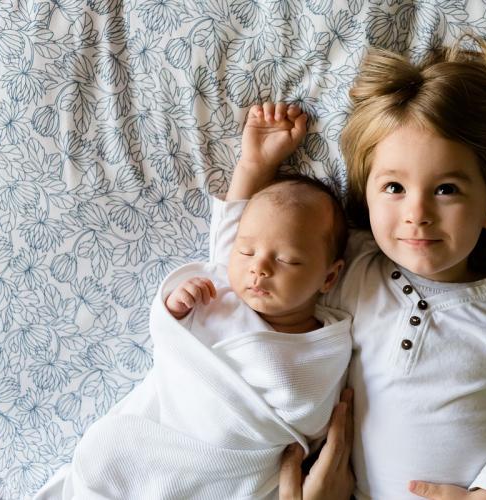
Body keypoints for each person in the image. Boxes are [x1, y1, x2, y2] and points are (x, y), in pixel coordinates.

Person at [264, 35, 486, 500]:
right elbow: (256, 259)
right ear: (364, 197)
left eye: (447, 189)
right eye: (393, 188)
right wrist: (257, 167)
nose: (418, 213)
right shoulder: (349, 270)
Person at [33, 104, 353, 500]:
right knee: (107, 456)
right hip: (159, 441)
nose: (259, 269)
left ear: (329, 277)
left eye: (287, 260)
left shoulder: (328, 344)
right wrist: (255, 162)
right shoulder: (221, 288)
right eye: (247, 252)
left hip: (231, 469)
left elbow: (309, 417)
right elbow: (234, 225)